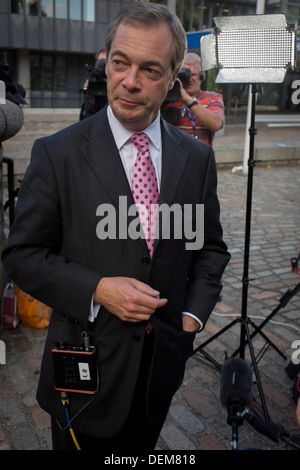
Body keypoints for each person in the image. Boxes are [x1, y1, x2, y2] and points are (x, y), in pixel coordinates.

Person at [2, 2, 230, 451]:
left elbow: (210, 249)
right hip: (84, 370)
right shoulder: (57, 154)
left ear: (171, 80)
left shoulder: (197, 158)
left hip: (158, 371)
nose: (129, 81)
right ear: (106, 61)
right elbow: (21, 256)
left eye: (150, 69)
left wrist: (190, 320)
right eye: (120, 63)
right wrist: (98, 289)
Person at [162, 52, 224, 146]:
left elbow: (216, 124)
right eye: (185, 74)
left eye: (193, 74)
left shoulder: (213, 98)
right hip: (173, 157)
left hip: (200, 157)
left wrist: (188, 100)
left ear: (201, 77)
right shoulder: (168, 98)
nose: (189, 79)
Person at [80, 49, 108, 120]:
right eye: (100, 62)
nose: (102, 66)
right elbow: (88, 118)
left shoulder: (120, 83)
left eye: (104, 62)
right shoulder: (92, 83)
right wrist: (91, 99)